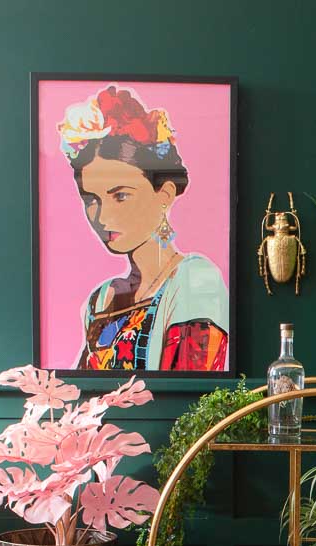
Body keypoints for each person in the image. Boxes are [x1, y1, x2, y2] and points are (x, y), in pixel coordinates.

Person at [58, 86, 229, 371]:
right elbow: (80, 390)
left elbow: (192, 389)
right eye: (91, 199)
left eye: (121, 195)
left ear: (165, 194)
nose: (103, 216)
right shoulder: (100, 300)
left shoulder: (195, 280)